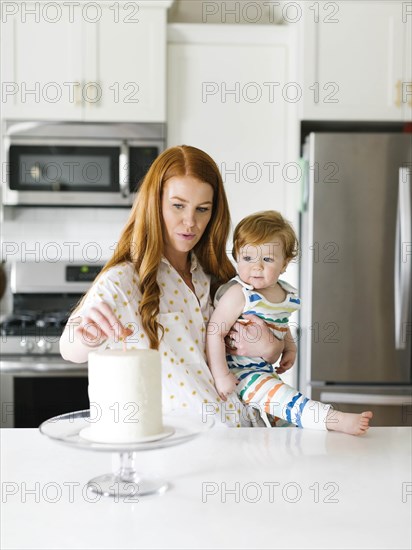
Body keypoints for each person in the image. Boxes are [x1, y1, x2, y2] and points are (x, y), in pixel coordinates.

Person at [60, 146, 285, 428]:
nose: (190, 222)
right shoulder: (124, 280)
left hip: (248, 437)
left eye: (202, 209)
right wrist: (86, 337)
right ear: (155, 204)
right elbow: (70, 349)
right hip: (181, 453)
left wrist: (273, 346)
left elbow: (266, 351)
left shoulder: (217, 276)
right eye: (178, 206)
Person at [206, 210, 373, 435]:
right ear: (236, 256)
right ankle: (333, 418)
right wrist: (221, 375)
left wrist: (289, 348)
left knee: (285, 422)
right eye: (247, 258)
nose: (256, 267)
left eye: (267, 259)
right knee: (287, 400)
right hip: (241, 373)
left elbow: (282, 327)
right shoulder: (239, 293)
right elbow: (214, 332)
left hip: (264, 371)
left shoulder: (287, 294)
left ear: (284, 264)